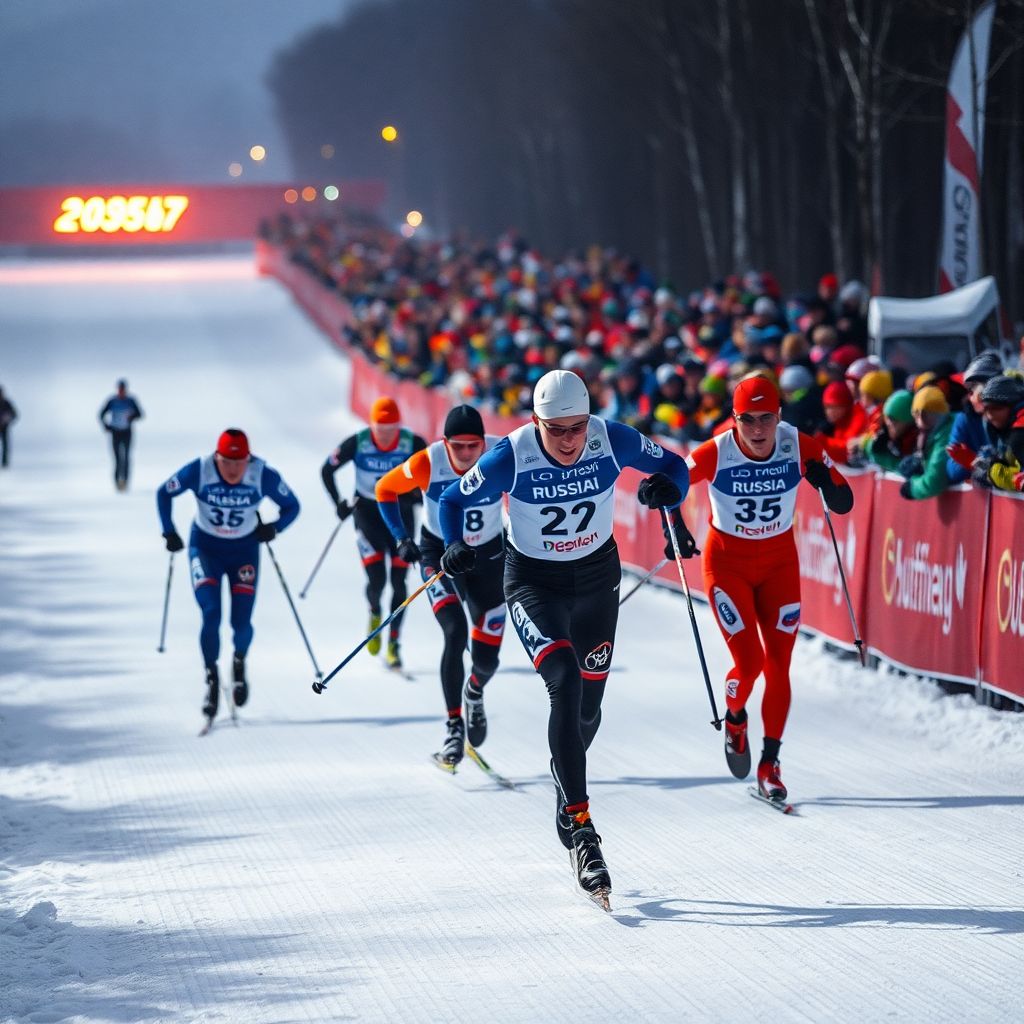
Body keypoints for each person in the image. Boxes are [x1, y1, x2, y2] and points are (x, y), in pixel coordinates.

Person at [437, 369, 694, 906]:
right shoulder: (511, 455)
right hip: (533, 584)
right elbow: (451, 502)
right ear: (536, 422)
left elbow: (675, 466)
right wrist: (453, 545)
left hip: (597, 580)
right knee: (565, 683)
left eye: (577, 427)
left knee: (589, 711)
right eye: (557, 430)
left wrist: (672, 494)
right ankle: (582, 829)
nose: (570, 439)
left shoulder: (611, 437)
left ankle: (564, 779)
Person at [684, 376, 853, 804]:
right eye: (747, 420)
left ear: (779, 416)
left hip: (780, 566)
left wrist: (825, 481)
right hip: (727, 566)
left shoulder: (799, 445)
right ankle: (735, 716)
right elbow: (671, 481)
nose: (757, 430)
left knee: (779, 665)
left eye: (766, 419)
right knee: (750, 663)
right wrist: (670, 514)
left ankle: (769, 764)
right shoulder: (717, 451)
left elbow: (844, 502)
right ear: (734, 419)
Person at [375, 405, 506, 767]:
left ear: (484, 442)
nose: (465, 454)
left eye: (473, 446)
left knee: (487, 659)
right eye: (457, 446)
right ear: (445, 442)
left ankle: (474, 691)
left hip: (488, 556)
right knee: (455, 632)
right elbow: (385, 489)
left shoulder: (502, 453)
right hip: (439, 554)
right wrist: (401, 538)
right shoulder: (427, 462)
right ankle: (454, 728)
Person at [156, 429, 300, 725]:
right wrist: (169, 531)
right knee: (211, 614)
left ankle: (239, 662)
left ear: (249, 460)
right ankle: (211, 678)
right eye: (226, 462)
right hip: (205, 548)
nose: (233, 470)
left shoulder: (262, 474)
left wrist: (273, 528)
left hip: (243, 552)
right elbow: (164, 492)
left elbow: (292, 506)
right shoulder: (200, 470)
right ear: (216, 458)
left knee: (241, 622)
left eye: (240, 463)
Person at [321, 396, 427, 669]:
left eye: (391, 429)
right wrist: (339, 503)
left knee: (400, 582)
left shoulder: (412, 443)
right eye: (380, 429)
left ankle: (394, 643)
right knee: (377, 580)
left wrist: (419, 495)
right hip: (367, 516)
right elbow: (327, 470)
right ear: (371, 426)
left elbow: (432, 475)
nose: (386, 435)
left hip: (400, 516)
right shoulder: (359, 442)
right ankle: (375, 611)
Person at [99, 379, 144, 491]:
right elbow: (101, 414)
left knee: (126, 457)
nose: (121, 392)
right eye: (120, 389)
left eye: (123, 390)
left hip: (126, 432)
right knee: (117, 458)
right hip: (115, 432)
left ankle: (125, 482)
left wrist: (131, 417)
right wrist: (106, 426)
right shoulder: (112, 401)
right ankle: (117, 482)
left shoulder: (131, 401)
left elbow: (140, 414)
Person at [0, 385, 17, 468]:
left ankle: (5, 463)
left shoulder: (7, 403)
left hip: (4, 428)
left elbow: (15, 414)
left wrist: (7, 418)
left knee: (5, 446)